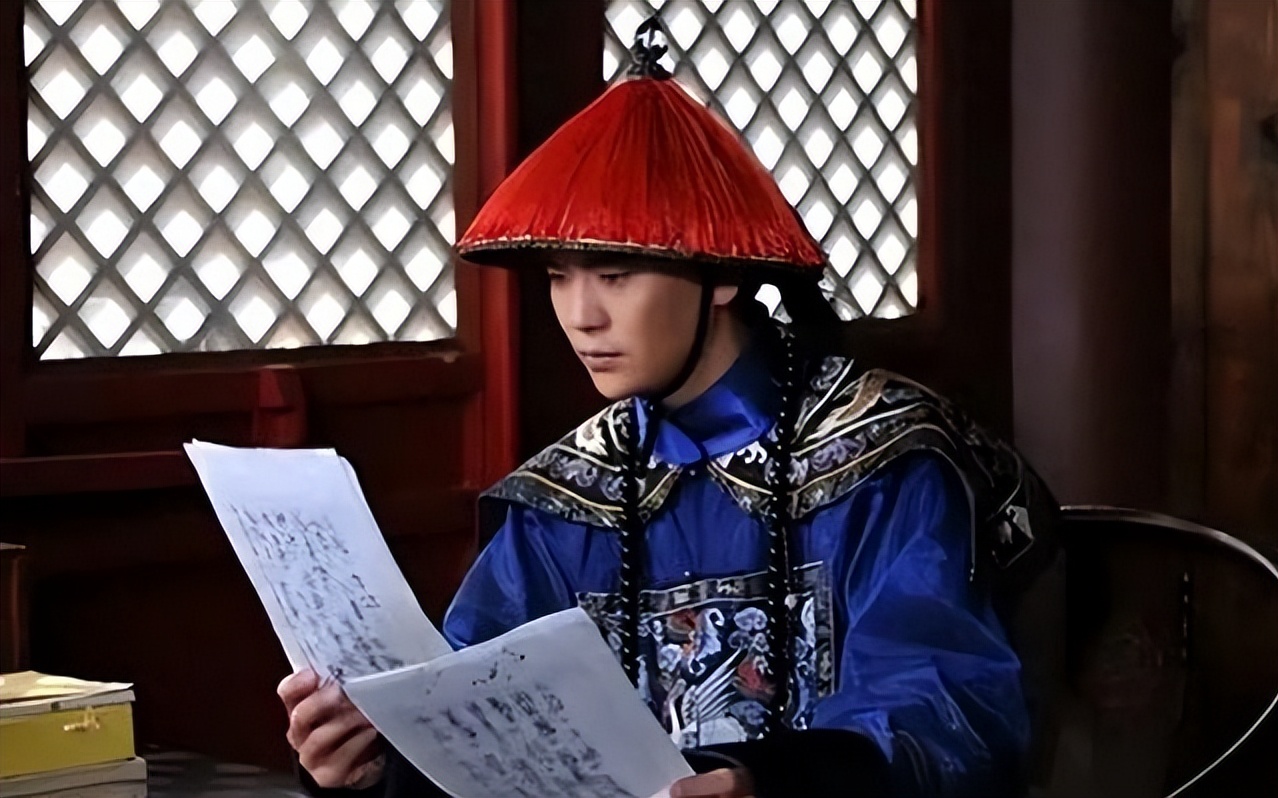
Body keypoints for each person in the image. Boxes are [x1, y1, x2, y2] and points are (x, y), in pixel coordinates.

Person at [278, 18, 1059, 798]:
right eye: (558, 276)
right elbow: (475, 721)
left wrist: (759, 782)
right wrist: (372, 766)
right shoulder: (563, 505)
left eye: (614, 275)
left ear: (722, 276)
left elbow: (940, 713)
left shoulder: (883, 464)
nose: (580, 316)